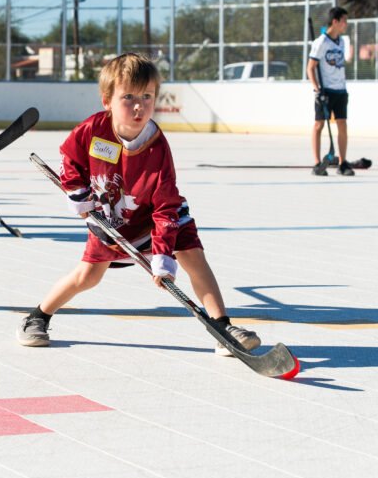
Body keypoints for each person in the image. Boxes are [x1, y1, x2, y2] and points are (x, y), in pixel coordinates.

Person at [17, 53, 261, 355]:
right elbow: (71, 159)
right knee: (88, 276)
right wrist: (77, 193)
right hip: (112, 218)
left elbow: (165, 206)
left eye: (147, 96)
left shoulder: (157, 147)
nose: (139, 105)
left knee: (192, 256)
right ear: (107, 100)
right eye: (128, 96)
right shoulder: (93, 129)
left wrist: (162, 258)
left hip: (160, 221)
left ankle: (223, 328)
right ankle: (37, 316)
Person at [308, 6, 354, 176]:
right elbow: (310, 68)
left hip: (340, 91)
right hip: (325, 91)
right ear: (335, 22)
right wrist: (317, 90)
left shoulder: (341, 41)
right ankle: (317, 163)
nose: (346, 24)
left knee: (342, 124)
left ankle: (342, 163)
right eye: (344, 21)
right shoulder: (321, 42)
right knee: (319, 125)